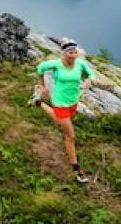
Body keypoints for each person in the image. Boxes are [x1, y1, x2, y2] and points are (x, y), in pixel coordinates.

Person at [30, 38, 94, 183]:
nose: (73, 54)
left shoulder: (80, 64)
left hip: (73, 101)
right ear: (64, 54)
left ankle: (38, 103)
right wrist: (43, 86)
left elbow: (90, 73)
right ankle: (77, 169)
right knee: (70, 136)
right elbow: (40, 68)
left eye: (75, 52)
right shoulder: (56, 64)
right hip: (59, 102)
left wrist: (89, 80)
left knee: (60, 122)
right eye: (70, 52)